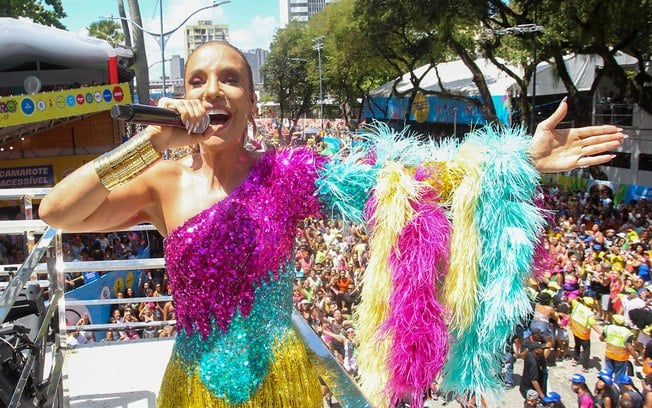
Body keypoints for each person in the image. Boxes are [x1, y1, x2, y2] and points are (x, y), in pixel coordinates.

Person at [38, 40, 626, 408]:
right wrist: (147, 143)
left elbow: (404, 176)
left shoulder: (288, 174)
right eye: (197, 80)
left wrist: (521, 153)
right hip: (193, 386)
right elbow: (58, 212)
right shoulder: (156, 182)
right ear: (179, 94)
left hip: (282, 380)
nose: (212, 89)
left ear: (250, 101)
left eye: (229, 79)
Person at [601, 314, 640, 380]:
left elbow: (601, 338)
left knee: (608, 373)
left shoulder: (607, 328)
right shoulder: (628, 333)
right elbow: (629, 347)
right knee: (619, 376)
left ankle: (606, 386)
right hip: (621, 357)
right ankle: (616, 388)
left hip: (609, 355)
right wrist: (636, 359)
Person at [570, 296, 601, 372]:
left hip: (575, 330)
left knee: (577, 345)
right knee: (586, 350)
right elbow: (593, 325)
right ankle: (585, 367)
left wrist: (578, 298)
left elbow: (572, 299)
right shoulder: (590, 314)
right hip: (584, 334)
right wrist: (600, 333)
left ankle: (575, 360)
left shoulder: (577, 305)